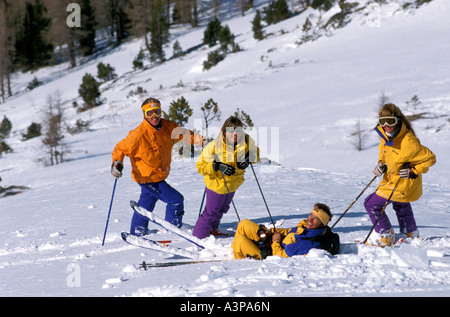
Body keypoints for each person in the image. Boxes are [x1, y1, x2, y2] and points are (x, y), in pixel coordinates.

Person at [111, 98, 204, 236]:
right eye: (150, 113)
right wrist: (117, 164)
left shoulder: (168, 126)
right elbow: (120, 149)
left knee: (146, 203)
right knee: (175, 200)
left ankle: (138, 231)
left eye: (157, 111)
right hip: (147, 177)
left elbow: (186, 135)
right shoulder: (138, 135)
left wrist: (203, 141)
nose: (155, 116)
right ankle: (173, 229)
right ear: (144, 114)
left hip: (159, 175)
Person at [364, 103, 436, 247]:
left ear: (397, 120)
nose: (386, 125)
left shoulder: (409, 141)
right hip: (394, 181)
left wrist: (413, 171)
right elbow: (384, 155)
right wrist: (381, 165)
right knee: (400, 204)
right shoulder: (385, 137)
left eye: (390, 121)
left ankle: (385, 236)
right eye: (382, 122)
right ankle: (410, 233)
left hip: (404, 183)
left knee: (371, 204)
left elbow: (430, 159)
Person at [193, 116, 260, 239]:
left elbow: (256, 153)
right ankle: (199, 236)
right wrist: (216, 166)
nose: (235, 134)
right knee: (211, 212)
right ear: (224, 131)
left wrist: (248, 159)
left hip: (233, 184)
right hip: (216, 185)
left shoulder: (246, 142)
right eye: (231, 130)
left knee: (222, 209)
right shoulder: (214, 146)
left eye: (238, 130)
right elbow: (200, 166)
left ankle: (213, 230)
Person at [231, 203, 339, 259]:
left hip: (270, 255)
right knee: (244, 223)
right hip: (273, 242)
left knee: (240, 240)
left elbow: (281, 256)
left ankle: (241, 260)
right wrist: (271, 231)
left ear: (322, 223)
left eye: (316, 219)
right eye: (311, 215)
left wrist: (275, 242)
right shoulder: (305, 226)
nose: (310, 219)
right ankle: (238, 250)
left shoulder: (308, 243)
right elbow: (289, 231)